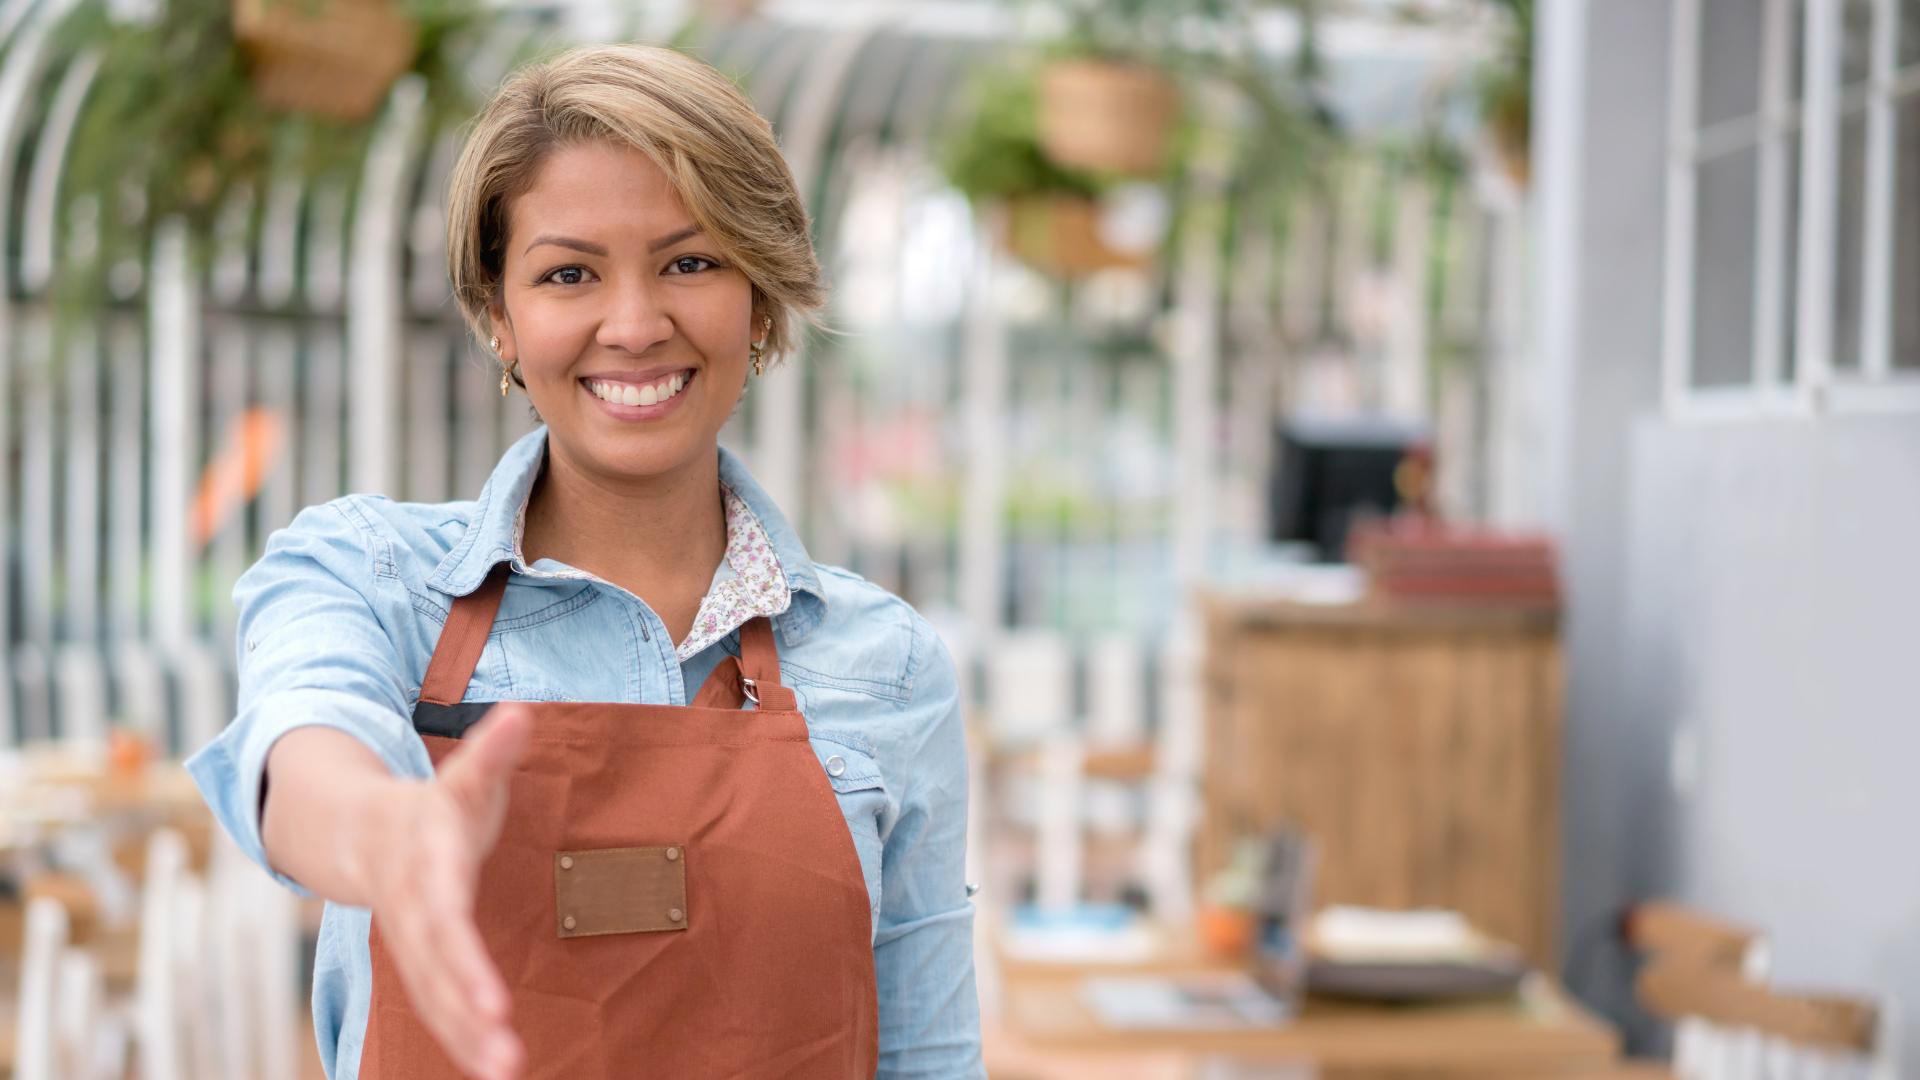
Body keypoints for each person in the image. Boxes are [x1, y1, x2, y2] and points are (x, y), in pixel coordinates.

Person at [187, 43, 983, 1080]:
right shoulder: (372, 576)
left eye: (690, 262)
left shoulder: (887, 667)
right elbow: (304, 741)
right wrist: (391, 836)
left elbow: (926, 1056)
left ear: (760, 298)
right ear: (499, 320)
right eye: (569, 273)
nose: (635, 324)